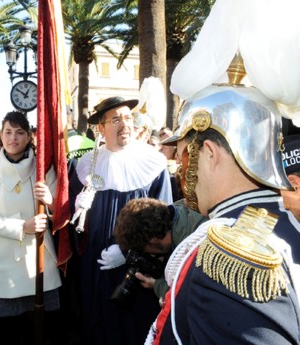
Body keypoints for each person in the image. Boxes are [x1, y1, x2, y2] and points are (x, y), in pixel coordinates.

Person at [147, 18, 300, 340]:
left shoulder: (230, 254)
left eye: (187, 152)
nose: (177, 162)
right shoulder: (288, 222)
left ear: (211, 153)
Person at [69, 96, 173, 345]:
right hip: (94, 268)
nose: (124, 124)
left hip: (136, 271)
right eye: (116, 119)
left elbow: (165, 223)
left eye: (128, 117)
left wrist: (128, 251)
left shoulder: (153, 164)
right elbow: (72, 223)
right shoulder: (84, 166)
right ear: (101, 129)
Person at [0, 111, 62, 345]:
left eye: (20, 132)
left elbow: (61, 215)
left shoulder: (44, 169)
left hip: (39, 264)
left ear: (29, 136)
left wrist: (51, 201)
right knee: (5, 335)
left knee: (44, 333)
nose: (13, 138)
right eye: (8, 132)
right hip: (0, 266)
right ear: (0, 135)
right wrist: (22, 227)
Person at [113, 198, 206, 302]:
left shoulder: (191, 244)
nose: (148, 254)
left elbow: (190, 296)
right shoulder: (180, 212)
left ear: (153, 240)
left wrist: (158, 286)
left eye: (143, 249)